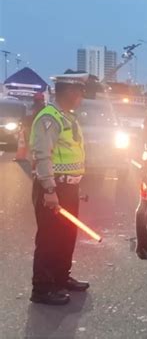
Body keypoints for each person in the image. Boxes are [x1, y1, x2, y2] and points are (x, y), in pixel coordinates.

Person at [29, 73, 89, 305]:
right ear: (69, 92)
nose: (82, 96)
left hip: (68, 187)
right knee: (49, 239)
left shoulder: (67, 117)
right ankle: (42, 288)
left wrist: (76, 184)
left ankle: (61, 278)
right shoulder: (49, 118)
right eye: (80, 92)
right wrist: (49, 189)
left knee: (66, 236)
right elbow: (42, 155)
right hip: (53, 187)